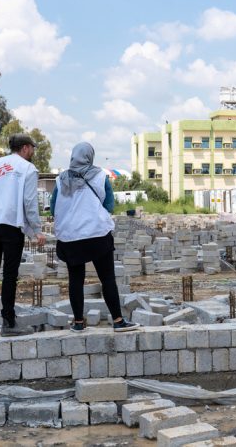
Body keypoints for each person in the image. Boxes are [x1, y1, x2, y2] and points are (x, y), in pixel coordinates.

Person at [51, 142, 139, 333]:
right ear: (90, 156)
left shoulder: (60, 180)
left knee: (75, 280)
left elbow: (53, 208)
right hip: (97, 234)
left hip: (70, 237)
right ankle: (117, 320)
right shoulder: (100, 175)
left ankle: (78, 322)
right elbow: (108, 205)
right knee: (107, 278)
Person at [0, 134, 46, 337]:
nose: (33, 152)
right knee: (10, 274)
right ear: (24, 148)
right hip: (11, 226)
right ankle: (8, 322)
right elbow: (30, 203)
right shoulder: (28, 169)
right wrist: (36, 230)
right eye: (32, 148)